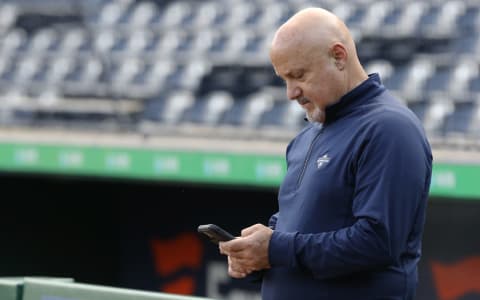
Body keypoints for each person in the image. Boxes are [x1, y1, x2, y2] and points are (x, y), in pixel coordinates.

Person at [218, 7, 433, 300]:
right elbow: (296, 234)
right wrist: (257, 256)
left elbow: (377, 242)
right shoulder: (306, 136)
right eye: (284, 79)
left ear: (339, 56)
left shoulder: (390, 128)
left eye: (299, 75)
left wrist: (276, 248)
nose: (291, 93)